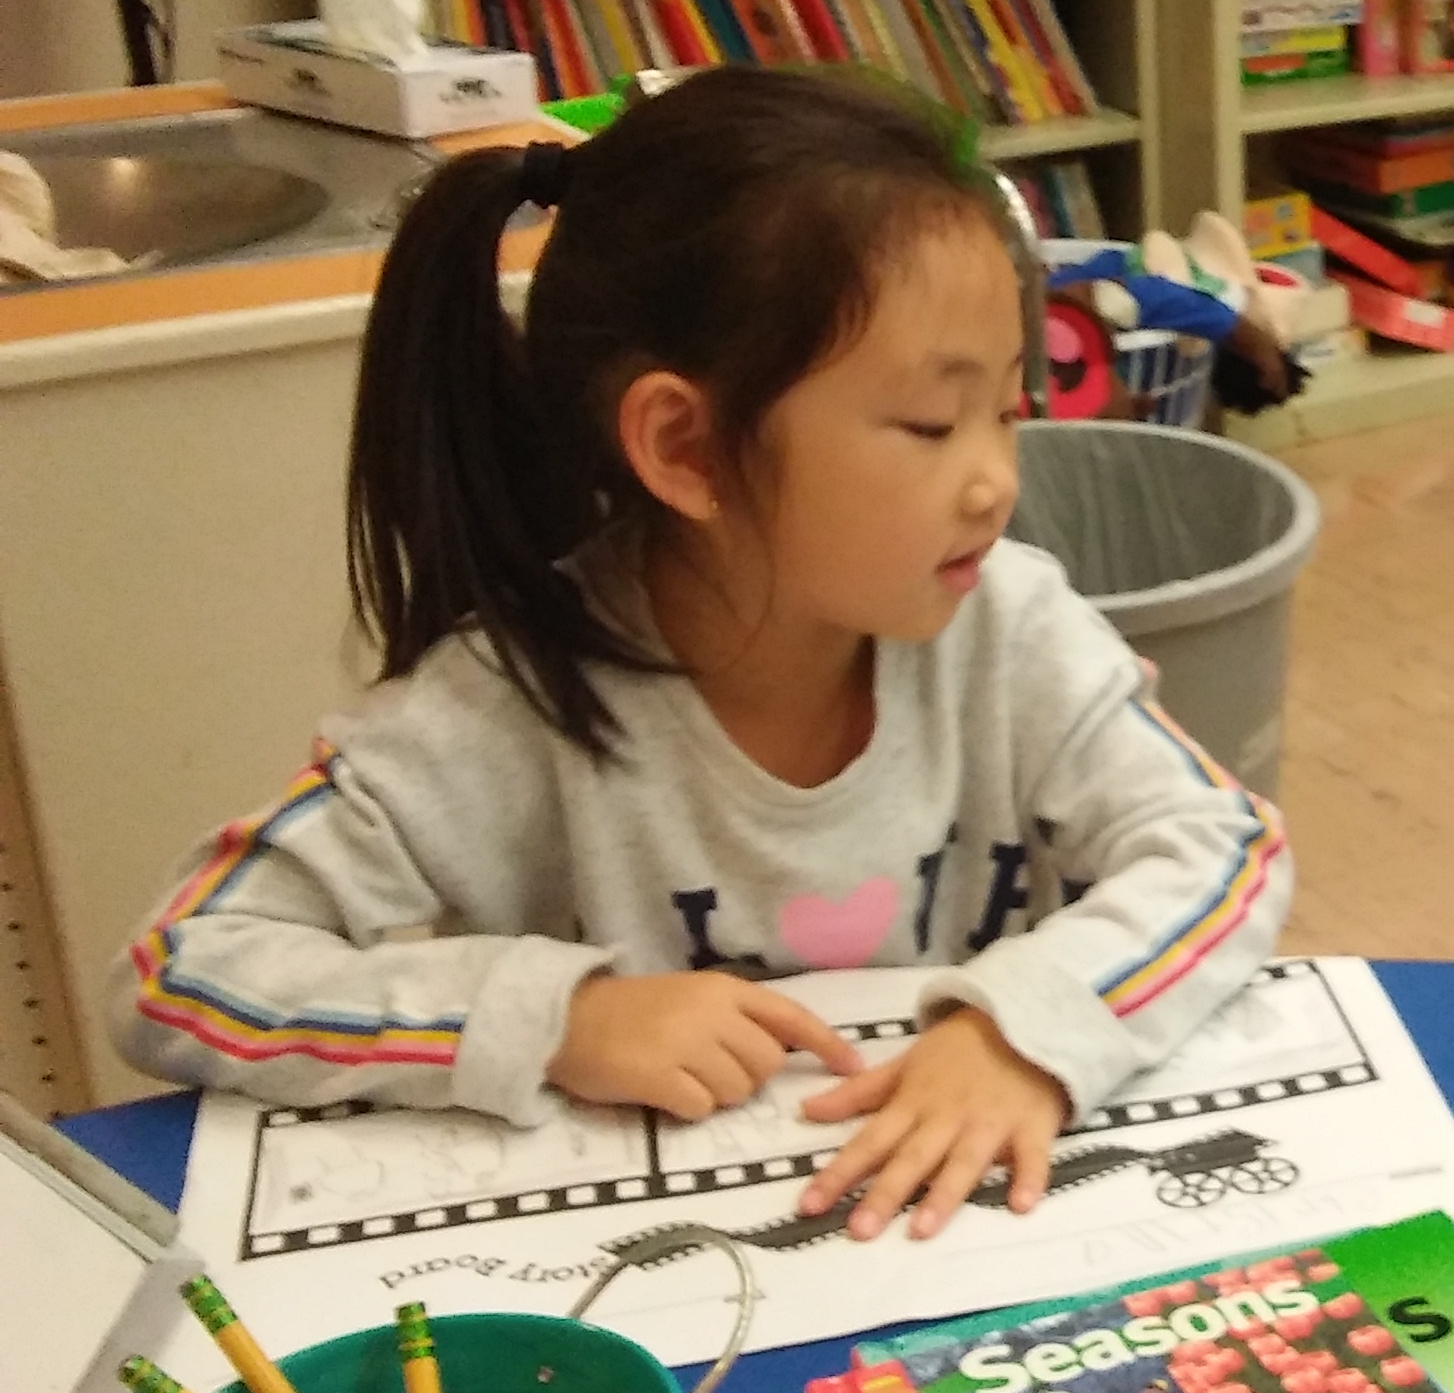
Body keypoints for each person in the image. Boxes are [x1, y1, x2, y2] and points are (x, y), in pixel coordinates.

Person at [106, 68, 1291, 1243]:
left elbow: (1225, 850)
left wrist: (1022, 1031)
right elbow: (181, 968)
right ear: (685, 446)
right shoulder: (505, 704)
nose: (996, 482)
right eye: (933, 425)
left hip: (944, 1242)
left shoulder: (1010, 630)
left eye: (1008, 414)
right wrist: (556, 1019)